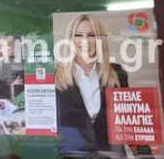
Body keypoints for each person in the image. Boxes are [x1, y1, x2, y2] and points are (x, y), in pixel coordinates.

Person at [55, 14, 128, 156]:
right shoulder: (56, 76)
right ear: (70, 39)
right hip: (72, 156)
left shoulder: (117, 74)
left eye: (91, 35)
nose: (85, 41)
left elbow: (131, 120)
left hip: (111, 155)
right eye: (79, 35)